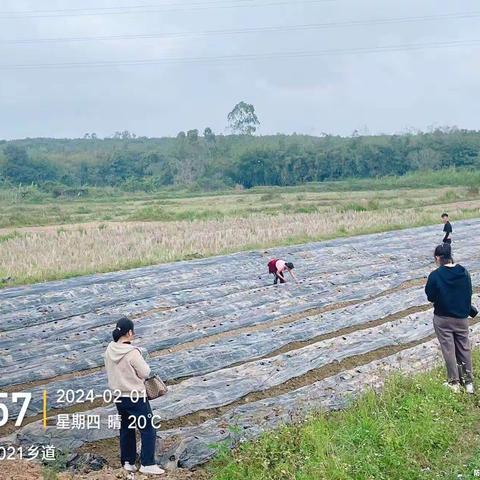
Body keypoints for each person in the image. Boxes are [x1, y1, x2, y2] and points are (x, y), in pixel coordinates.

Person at [104, 317, 165, 475]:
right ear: (129, 332)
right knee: (148, 429)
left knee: (127, 427)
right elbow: (145, 372)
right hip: (135, 397)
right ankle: (147, 463)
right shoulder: (132, 353)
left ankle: (128, 462)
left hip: (118, 397)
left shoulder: (110, 350)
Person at [425, 244, 474, 394]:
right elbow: (468, 293)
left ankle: (454, 382)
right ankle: (469, 383)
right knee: (464, 348)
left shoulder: (435, 275)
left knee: (449, 349)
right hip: (461, 318)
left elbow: (430, 296)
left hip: (443, 319)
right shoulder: (464, 272)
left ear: (438, 258)